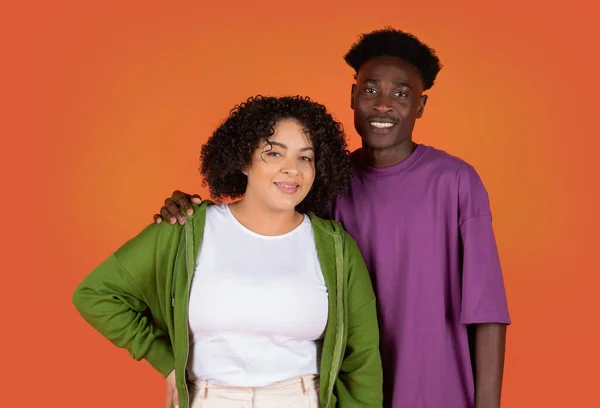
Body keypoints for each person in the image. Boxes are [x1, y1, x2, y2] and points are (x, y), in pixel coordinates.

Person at [156, 28, 511, 408]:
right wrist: (193, 211)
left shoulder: (456, 181)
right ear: (353, 96)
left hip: (435, 390)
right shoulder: (323, 180)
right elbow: (262, 226)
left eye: (401, 94)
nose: (384, 105)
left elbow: (485, 308)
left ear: (420, 106)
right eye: (371, 90)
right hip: (344, 391)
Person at [72, 95, 383, 408]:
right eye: (274, 153)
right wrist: (165, 360)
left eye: (305, 158)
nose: (292, 170)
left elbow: (363, 361)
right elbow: (96, 294)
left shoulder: (336, 248)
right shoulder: (185, 229)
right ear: (243, 160)